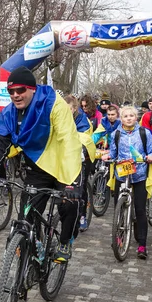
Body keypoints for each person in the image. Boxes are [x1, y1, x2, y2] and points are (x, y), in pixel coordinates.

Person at [0, 66, 82, 262]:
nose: (15, 95)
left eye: (20, 90)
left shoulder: (53, 104)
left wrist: (72, 182)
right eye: (11, 92)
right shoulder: (9, 112)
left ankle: (65, 241)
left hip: (64, 164)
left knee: (69, 205)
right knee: (26, 216)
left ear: (32, 89)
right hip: (38, 167)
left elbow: (69, 142)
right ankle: (29, 258)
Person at [108, 105, 152, 259]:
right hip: (121, 175)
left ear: (136, 117)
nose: (128, 118)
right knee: (118, 208)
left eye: (131, 115)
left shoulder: (144, 133)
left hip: (140, 174)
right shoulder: (116, 134)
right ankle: (118, 238)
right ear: (120, 118)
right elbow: (113, 152)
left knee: (140, 209)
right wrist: (107, 156)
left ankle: (142, 244)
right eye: (125, 116)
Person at [65, 95, 95, 232]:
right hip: (65, 156)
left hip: (83, 156)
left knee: (80, 186)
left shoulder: (82, 119)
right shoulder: (60, 117)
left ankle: (82, 215)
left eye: (68, 109)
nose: (65, 111)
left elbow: (84, 136)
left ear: (74, 108)